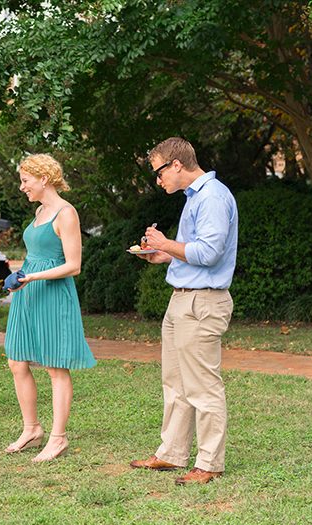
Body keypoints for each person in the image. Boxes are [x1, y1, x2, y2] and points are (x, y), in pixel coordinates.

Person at [130, 137, 238, 485]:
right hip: (182, 299)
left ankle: (209, 463)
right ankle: (172, 453)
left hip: (203, 302)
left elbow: (209, 253)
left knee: (203, 386)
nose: (158, 179)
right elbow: (193, 251)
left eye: (159, 172)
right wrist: (164, 254)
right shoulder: (195, 198)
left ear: (176, 164)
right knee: (175, 382)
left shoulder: (213, 197)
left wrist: (165, 242)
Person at [4, 154, 96, 462]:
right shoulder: (40, 211)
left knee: (55, 367)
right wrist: (20, 277)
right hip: (28, 293)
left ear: (44, 179)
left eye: (25, 180)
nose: (22, 187)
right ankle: (32, 429)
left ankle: (58, 438)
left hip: (53, 295)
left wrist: (33, 277)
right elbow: (36, 254)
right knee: (17, 362)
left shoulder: (66, 213)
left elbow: (73, 265)